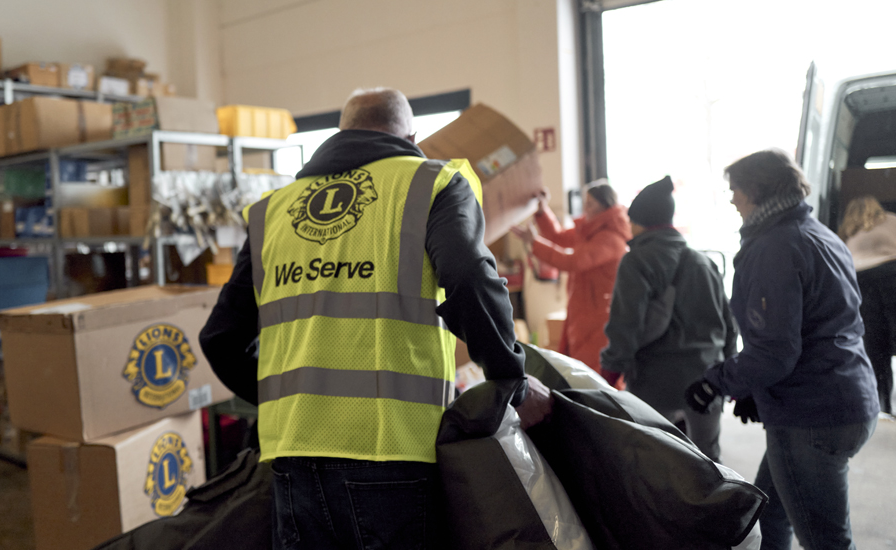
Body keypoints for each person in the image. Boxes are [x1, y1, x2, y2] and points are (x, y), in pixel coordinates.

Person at [199, 88, 553, 550]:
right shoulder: (432, 183)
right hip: (393, 456)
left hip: (291, 460)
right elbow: (468, 275)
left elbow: (220, 337)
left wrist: (284, 403)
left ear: (340, 131)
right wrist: (513, 382)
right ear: (411, 134)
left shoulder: (274, 210)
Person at [686, 149, 878, 550]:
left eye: (735, 189)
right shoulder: (819, 233)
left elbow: (775, 351)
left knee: (826, 541)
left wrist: (715, 382)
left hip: (810, 415)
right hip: (847, 397)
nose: (733, 199)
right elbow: (821, 327)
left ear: (756, 190)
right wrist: (757, 390)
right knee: (769, 513)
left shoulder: (775, 245)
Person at [600, 176, 737, 462]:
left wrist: (610, 371)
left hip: (655, 382)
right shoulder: (703, 262)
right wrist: (730, 374)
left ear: (638, 221)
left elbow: (626, 323)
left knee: (655, 461)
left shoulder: (636, 261)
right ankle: (713, 508)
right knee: (708, 462)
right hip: (706, 379)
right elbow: (728, 324)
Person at [511, 180, 631, 383]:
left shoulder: (610, 238)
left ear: (605, 206)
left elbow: (572, 261)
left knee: (593, 377)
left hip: (599, 320)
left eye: (590, 204)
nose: (585, 208)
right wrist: (542, 211)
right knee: (579, 373)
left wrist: (534, 243)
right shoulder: (591, 231)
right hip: (583, 313)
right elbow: (557, 236)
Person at [839, 195, 896, 416]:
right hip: (893, 277)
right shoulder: (892, 220)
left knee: (875, 349)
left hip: (863, 283)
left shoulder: (848, 232)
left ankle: (882, 407)